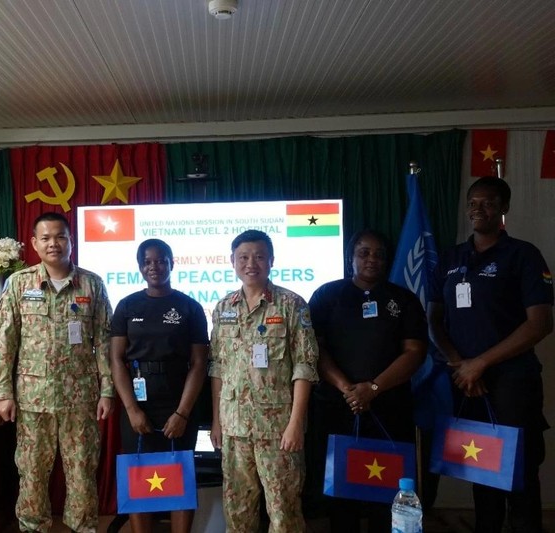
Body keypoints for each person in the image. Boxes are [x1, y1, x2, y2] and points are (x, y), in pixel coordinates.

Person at [428, 176, 553, 533]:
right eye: (473, 203)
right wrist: (460, 365)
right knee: (481, 469)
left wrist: (480, 364)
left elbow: (540, 323)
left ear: (504, 209)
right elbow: (434, 320)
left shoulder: (523, 255)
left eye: (488, 203)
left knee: (520, 469)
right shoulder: (452, 257)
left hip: (512, 382)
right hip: (465, 383)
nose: (478, 209)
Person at [0, 211, 114, 533]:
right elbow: (5, 342)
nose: (53, 243)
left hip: (81, 399)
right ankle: (33, 528)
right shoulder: (19, 283)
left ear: (71, 241)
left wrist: (106, 391)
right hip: (33, 400)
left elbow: (103, 341)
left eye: (60, 236)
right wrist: (2, 394)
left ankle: (83, 528)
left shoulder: (92, 284)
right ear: (34, 243)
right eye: (45, 238)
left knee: (82, 473)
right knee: (31, 474)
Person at [307, 229, 427, 532]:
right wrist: (348, 389)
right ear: (351, 258)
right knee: (341, 491)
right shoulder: (327, 295)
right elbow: (314, 348)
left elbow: (415, 352)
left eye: (378, 254)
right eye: (364, 252)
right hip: (337, 407)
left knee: (386, 490)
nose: (372, 259)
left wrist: (373, 389)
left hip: (389, 407)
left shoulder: (404, 299)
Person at [208, 229, 319, 532]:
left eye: (259, 256)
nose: (251, 263)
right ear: (233, 261)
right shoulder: (223, 308)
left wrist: (296, 423)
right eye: (243, 257)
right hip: (235, 428)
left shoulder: (291, 305)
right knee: (238, 509)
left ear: (271, 260)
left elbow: (305, 367)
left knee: (284, 510)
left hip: (278, 428)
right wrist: (217, 422)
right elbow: (217, 367)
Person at [110, 239, 209, 533]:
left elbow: (199, 364)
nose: (155, 267)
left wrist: (182, 414)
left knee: (181, 476)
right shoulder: (127, 306)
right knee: (137, 476)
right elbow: (116, 360)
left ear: (172, 263)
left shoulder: (189, 307)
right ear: (140, 266)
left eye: (161, 260)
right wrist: (131, 409)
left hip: (178, 403)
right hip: (137, 404)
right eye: (148, 262)